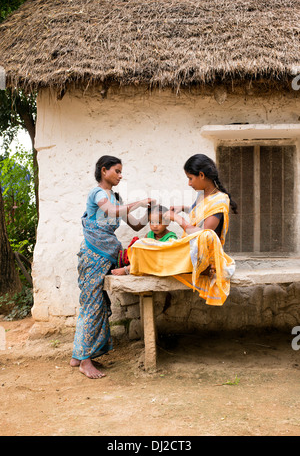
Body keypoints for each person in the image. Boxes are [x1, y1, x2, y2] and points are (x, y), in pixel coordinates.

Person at [70, 155, 155, 379]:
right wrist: (138, 202)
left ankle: (78, 355)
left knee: (94, 303)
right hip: (93, 255)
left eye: (121, 171)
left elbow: (136, 225)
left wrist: (151, 212)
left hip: (106, 255)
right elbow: (111, 212)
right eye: (116, 171)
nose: (120, 175)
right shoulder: (97, 193)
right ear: (104, 170)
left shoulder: (116, 199)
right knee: (92, 305)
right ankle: (85, 361)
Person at [128, 154, 237, 306]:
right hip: (187, 246)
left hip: (202, 252)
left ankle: (202, 266)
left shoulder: (219, 200)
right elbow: (200, 213)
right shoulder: (202, 195)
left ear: (201, 175)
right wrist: (183, 209)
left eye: (190, 178)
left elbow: (203, 233)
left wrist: (177, 218)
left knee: (148, 250)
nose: (189, 183)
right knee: (140, 245)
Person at [111, 204, 178, 276]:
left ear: (167, 222)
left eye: (158, 222)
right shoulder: (149, 235)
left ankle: (128, 269)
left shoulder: (171, 237)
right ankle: (132, 266)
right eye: (152, 222)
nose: (154, 226)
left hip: (161, 263)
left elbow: (170, 256)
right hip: (149, 262)